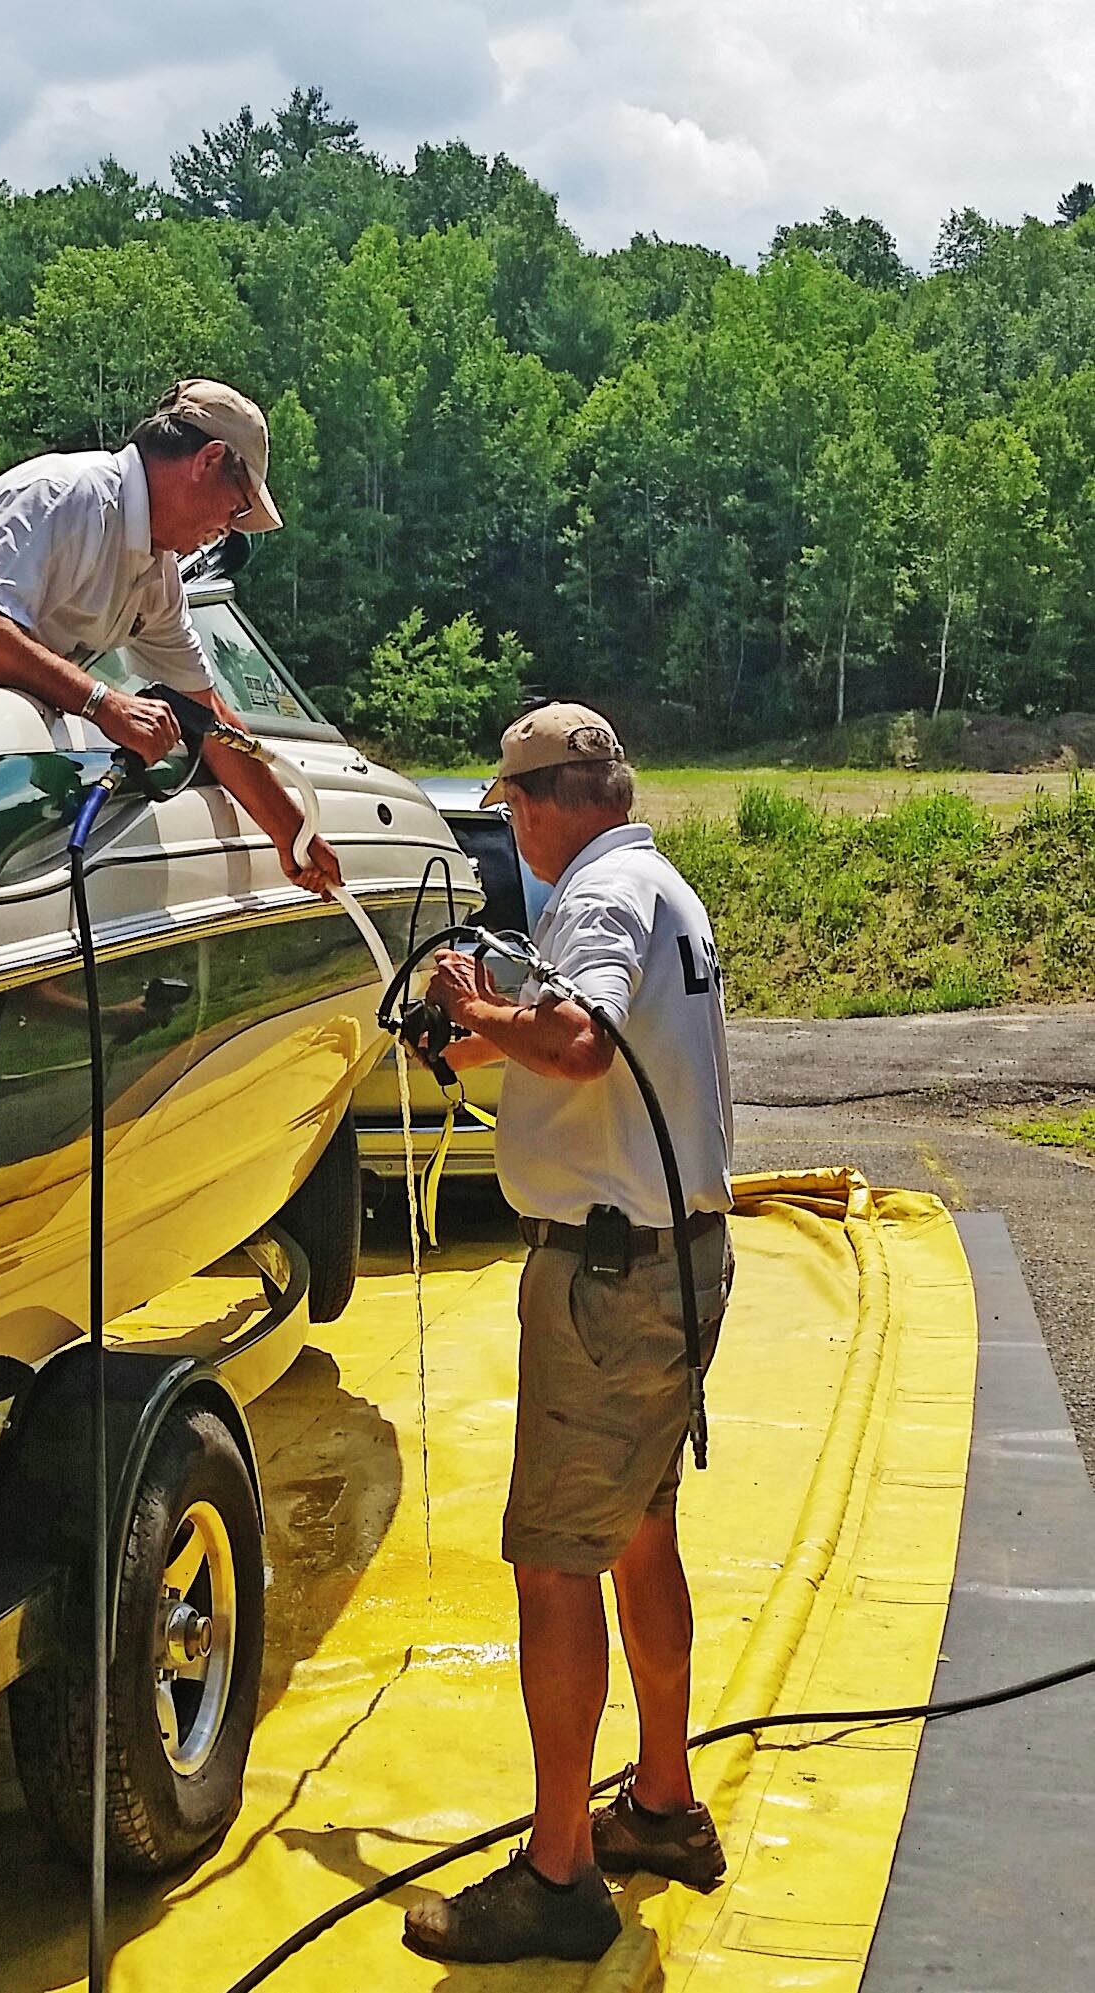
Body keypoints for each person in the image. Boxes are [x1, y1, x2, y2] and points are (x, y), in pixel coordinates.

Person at [402, 702, 735, 1966]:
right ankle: (659, 1799)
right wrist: (496, 1028)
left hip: (608, 1286)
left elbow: (583, 1042)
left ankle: (558, 1872)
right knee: (642, 1526)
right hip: (678, 1262)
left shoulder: (597, 895)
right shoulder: (663, 886)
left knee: (554, 1558)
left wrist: (472, 1010)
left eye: (513, 808)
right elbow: (597, 1058)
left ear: (548, 798)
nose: (514, 831)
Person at [0, 379, 340, 896]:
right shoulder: (65, 493)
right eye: (235, 509)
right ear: (208, 461)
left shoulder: (158, 575)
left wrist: (294, 835)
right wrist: (104, 704)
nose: (228, 531)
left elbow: (204, 714)